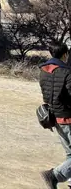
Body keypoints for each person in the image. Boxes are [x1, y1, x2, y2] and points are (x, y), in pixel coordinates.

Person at [41, 42, 71, 188]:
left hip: (54, 117)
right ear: (65, 54)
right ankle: (54, 175)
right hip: (68, 117)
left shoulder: (44, 71)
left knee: (70, 154)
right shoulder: (67, 72)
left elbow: (46, 96)